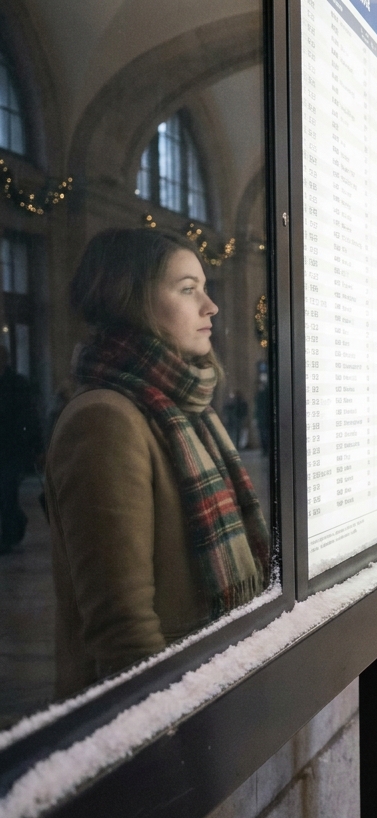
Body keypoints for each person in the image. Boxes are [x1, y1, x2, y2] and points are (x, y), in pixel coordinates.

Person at [45, 228, 270, 696]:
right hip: (164, 710)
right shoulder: (105, 420)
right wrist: (174, 740)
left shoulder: (189, 410)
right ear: (132, 301)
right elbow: (123, 630)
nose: (211, 307)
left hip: (208, 683)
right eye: (188, 290)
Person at [0, 343, 44, 553]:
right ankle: (16, 523)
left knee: (7, 492)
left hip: (12, 448)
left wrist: (37, 446)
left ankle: (8, 536)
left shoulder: (16, 384)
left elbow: (29, 417)